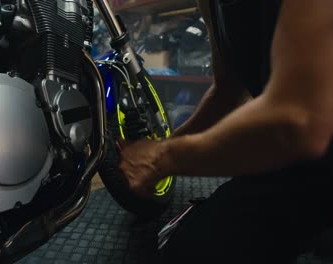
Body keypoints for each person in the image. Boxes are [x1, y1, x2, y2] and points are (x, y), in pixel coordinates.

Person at [119, 0, 333, 263]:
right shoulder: (213, 5)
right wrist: (166, 147)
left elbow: (301, 120)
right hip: (297, 155)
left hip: (316, 148)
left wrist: (160, 159)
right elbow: (228, 90)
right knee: (183, 243)